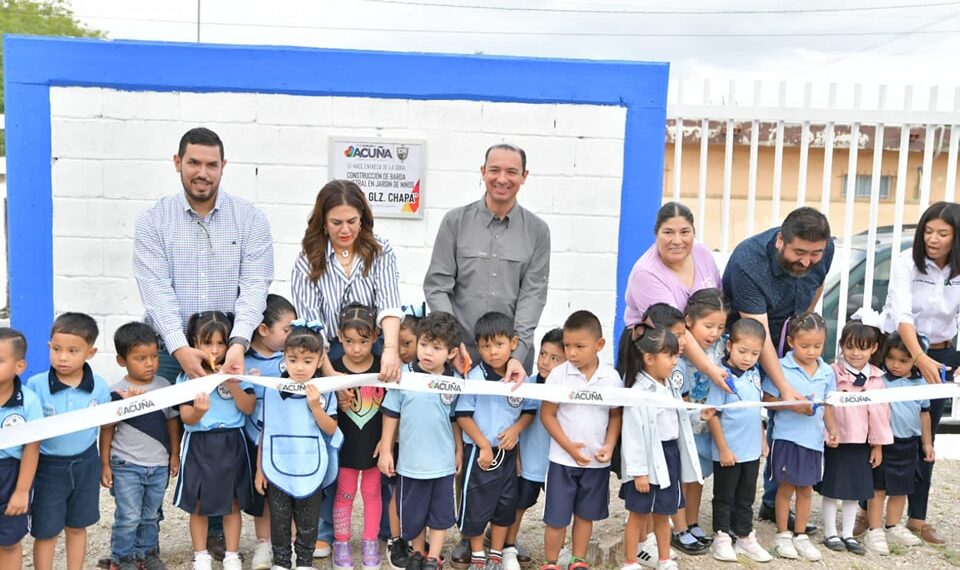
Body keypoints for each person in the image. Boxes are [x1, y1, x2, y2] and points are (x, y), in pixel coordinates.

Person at [133, 127, 273, 558]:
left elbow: (255, 285)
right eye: (193, 162)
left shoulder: (250, 218)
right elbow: (154, 288)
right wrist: (179, 348)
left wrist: (237, 342)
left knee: (226, 443)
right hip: (171, 353)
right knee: (159, 448)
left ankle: (216, 534)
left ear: (223, 167)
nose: (202, 172)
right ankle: (142, 538)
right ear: (177, 163)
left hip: (230, 349)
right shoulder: (154, 220)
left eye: (211, 164)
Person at [723, 206, 834, 530]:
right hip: (749, 340)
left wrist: (801, 330)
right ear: (780, 240)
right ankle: (732, 510)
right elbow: (759, 335)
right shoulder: (748, 260)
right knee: (750, 418)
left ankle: (774, 504)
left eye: (815, 254)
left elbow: (816, 286)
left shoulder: (822, 250)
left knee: (786, 421)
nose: (807, 261)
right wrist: (784, 387)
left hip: (788, 336)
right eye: (799, 252)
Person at [424, 143, 550, 380]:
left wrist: (517, 354)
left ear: (524, 176)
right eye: (494, 170)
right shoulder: (455, 222)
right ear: (483, 172)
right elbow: (437, 286)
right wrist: (451, 342)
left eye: (511, 172)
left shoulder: (538, 231)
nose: (502, 179)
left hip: (510, 362)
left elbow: (533, 296)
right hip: (459, 355)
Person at [880, 201, 960, 544]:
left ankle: (916, 518)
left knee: (924, 436)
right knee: (882, 430)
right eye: (928, 231)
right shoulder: (904, 261)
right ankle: (869, 514)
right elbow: (902, 314)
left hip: (942, 352)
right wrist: (918, 358)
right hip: (900, 349)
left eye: (942, 233)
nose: (933, 238)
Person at [290, 179, 404, 382]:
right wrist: (329, 373)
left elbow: (389, 303)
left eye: (351, 222)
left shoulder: (381, 250)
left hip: (375, 348)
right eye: (336, 223)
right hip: (327, 351)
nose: (345, 230)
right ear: (324, 222)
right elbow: (311, 323)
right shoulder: (306, 261)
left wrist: (390, 350)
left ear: (362, 219)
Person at [379, 311, 465, 570]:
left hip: (442, 464)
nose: (427, 352)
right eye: (424, 344)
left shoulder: (454, 381)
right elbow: (391, 414)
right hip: (411, 464)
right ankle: (417, 553)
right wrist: (386, 450)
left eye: (436, 347)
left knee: (439, 515)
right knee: (414, 515)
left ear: (450, 353)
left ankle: (432, 557)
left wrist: (458, 449)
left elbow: (455, 419)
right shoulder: (402, 375)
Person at [27, 313, 112, 570]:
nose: (62, 357)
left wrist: (105, 464)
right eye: (56, 349)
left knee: (77, 526)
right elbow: (28, 434)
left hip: (87, 463)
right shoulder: (36, 385)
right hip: (47, 467)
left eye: (73, 350)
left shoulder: (99, 387)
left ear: (91, 352)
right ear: (48, 346)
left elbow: (107, 426)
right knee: (46, 531)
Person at [540, 311, 623, 570]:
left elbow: (615, 415)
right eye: (567, 345)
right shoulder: (558, 375)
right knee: (556, 517)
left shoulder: (611, 378)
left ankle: (578, 559)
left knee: (585, 515)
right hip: (563, 460)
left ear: (599, 345)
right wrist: (568, 447)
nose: (572, 353)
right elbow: (548, 414)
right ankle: (551, 562)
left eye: (579, 346)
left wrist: (609, 445)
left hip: (595, 463)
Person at [174, 312, 255, 570]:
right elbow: (186, 418)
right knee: (198, 503)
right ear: (194, 344)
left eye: (221, 343)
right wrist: (198, 411)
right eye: (208, 343)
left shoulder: (239, 372)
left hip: (232, 441)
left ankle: (232, 553)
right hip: (199, 443)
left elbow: (249, 407)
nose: (215, 350)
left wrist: (232, 384)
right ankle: (200, 554)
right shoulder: (188, 377)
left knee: (232, 502)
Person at [455, 312, 537, 570]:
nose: (492, 352)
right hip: (480, 454)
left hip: (508, 454)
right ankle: (478, 555)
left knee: (505, 505)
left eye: (499, 344)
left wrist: (516, 430)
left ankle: (496, 554)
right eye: (485, 346)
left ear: (513, 343)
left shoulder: (519, 376)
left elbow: (529, 411)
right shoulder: (474, 377)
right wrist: (482, 445)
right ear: (477, 347)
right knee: (477, 504)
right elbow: (463, 415)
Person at [255, 324, 339, 570]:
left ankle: (304, 562)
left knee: (308, 519)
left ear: (320, 360)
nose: (299, 367)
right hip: (278, 464)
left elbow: (331, 428)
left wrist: (316, 408)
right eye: (293, 360)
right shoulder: (272, 391)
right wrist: (261, 469)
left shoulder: (325, 392)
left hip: (310, 464)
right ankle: (281, 562)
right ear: (284, 358)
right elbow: (265, 431)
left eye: (307, 360)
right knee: (279, 519)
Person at [99, 322, 181, 570]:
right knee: (128, 517)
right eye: (140, 358)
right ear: (121, 360)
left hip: (157, 465)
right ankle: (121, 558)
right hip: (125, 464)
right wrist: (104, 464)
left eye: (154, 356)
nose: (150, 363)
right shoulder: (115, 392)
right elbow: (107, 429)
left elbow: (172, 422)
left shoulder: (165, 387)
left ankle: (146, 555)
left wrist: (174, 454)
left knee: (150, 515)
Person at [618, 325, 700, 570]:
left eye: (676, 356)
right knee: (638, 513)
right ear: (649, 358)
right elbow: (632, 436)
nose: (675, 361)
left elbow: (680, 418)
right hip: (646, 457)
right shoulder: (638, 392)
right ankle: (631, 561)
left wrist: (700, 416)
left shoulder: (670, 386)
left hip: (669, 454)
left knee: (664, 512)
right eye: (670, 355)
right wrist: (639, 472)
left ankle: (664, 559)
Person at [623, 202, 726, 393]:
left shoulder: (702, 253)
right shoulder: (645, 273)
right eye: (668, 232)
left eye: (685, 232)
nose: (677, 240)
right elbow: (672, 329)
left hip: (704, 350)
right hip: (660, 351)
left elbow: (718, 300)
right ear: (656, 235)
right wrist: (710, 369)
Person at [761, 313, 837, 562]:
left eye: (818, 346)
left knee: (806, 489)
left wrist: (832, 429)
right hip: (787, 438)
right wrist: (793, 406)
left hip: (813, 441)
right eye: (805, 346)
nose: (812, 351)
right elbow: (768, 401)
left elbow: (828, 405)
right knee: (785, 488)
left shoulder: (827, 371)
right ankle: (782, 535)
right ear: (792, 342)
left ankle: (801, 534)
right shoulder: (781, 367)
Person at [819, 317, 891, 556]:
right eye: (850, 346)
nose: (855, 353)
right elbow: (824, 405)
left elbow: (880, 415)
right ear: (841, 345)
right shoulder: (831, 372)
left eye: (862, 348)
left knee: (855, 490)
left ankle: (848, 533)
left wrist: (877, 445)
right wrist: (827, 431)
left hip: (861, 442)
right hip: (835, 440)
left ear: (873, 348)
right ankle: (830, 532)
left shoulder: (876, 379)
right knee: (831, 488)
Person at [704, 318, 772, 563]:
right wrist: (723, 448)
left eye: (754, 353)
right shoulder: (722, 378)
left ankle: (744, 535)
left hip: (751, 450)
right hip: (728, 451)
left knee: (746, 495)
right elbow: (712, 416)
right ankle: (721, 536)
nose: (748, 358)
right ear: (730, 346)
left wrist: (762, 440)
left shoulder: (754, 374)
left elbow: (756, 410)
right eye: (743, 351)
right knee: (724, 495)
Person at [863, 333, 934, 556]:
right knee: (878, 488)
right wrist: (875, 443)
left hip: (909, 443)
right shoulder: (879, 382)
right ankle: (873, 529)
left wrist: (927, 443)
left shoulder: (921, 384)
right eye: (891, 358)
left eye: (903, 360)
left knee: (902, 488)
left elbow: (924, 414)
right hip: (884, 443)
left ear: (915, 360)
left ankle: (893, 525)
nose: (895, 365)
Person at [503, 329, 565, 570]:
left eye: (554, 358)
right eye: (543, 354)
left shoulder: (567, 388)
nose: (545, 362)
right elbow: (512, 421)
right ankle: (509, 546)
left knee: (560, 507)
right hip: (528, 460)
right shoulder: (526, 384)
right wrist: (516, 456)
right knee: (519, 505)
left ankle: (560, 549)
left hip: (557, 463)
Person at [243, 294, 297, 570]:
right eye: (287, 330)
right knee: (262, 496)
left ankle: (290, 545)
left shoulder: (290, 361)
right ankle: (263, 544)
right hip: (254, 441)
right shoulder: (241, 361)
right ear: (263, 330)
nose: (292, 335)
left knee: (290, 493)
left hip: (286, 440)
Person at [331, 304, 384, 570]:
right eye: (349, 341)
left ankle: (370, 540)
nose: (356, 348)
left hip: (374, 444)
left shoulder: (382, 367)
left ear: (375, 336)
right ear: (339, 337)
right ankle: (341, 543)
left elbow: (390, 408)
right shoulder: (335, 370)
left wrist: (386, 441)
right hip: (344, 446)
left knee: (373, 493)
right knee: (345, 493)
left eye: (363, 341)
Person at [677, 289, 729, 550]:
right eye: (708, 326)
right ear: (689, 321)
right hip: (684, 421)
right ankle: (678, 527)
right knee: (681, 476)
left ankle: (693, 521)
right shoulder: (680, 349)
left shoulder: (721, 347)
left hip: (707, 422)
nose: (715, 333)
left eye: (720, 326)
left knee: (697, 476)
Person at [0, 328, 41, 570]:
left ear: (19, 366)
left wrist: (22, 490)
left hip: (11, 475)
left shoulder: (29, 402)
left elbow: (32, 448)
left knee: (8, 542)